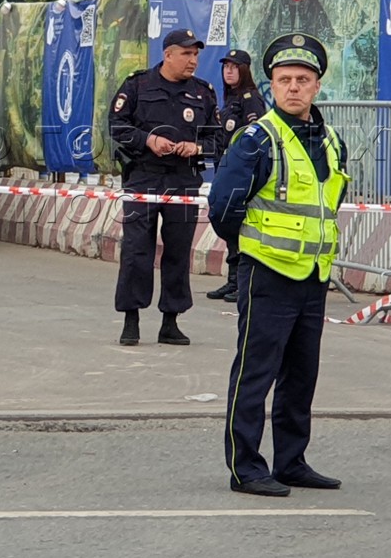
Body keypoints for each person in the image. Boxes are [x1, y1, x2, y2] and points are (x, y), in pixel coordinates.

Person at [209, 33, 347, 497]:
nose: (293, 87)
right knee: (255, 372)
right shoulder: (257, 138)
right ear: (271, 84)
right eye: (284, 79)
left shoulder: (330, 141)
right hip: (267, 273)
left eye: (302, 80)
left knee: (300, 376)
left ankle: (291, 461)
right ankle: (245, 467)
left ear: (317, 86)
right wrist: (249, 248)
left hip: (313, 276)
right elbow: (223, 206)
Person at [108, 28, 219, 346]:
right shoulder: (138, 85)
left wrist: (196, 148)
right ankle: (132, 319)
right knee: (136, 250)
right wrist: (148, 140)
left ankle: (171, 321)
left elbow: (218, 138)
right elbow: (116, 125)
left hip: (183, 180)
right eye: (186, 53)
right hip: (144, 176)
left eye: (196, 53)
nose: (193, 60)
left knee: (178, 251)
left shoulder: (203, 93)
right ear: (168, 54)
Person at [206, 48, 268, 304]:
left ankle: (244, 283)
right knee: (230, 228)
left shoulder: (250, 98)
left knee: (242, 229)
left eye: (234, 66)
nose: (228, 70)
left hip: (242, 174)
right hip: (225, 169)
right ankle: (233, 280)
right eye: (225, 66)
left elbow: (255, 136)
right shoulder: (229, 99)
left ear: (244, 70)